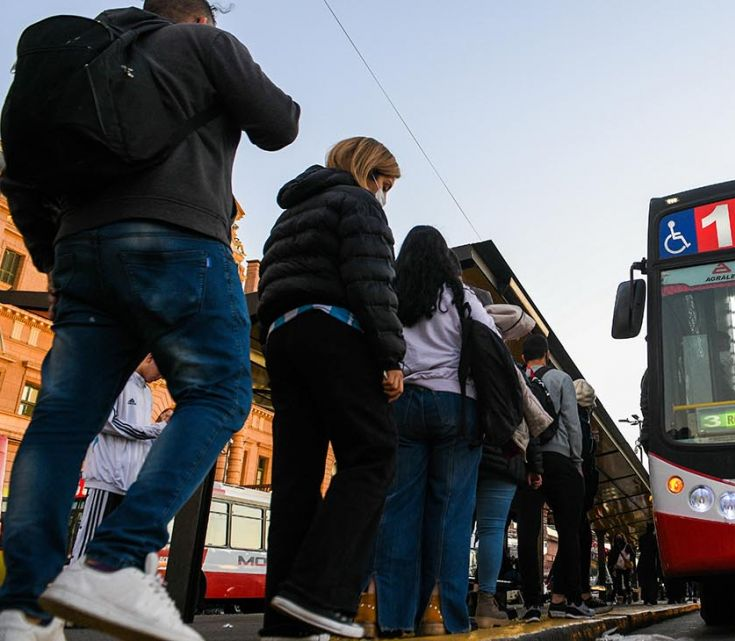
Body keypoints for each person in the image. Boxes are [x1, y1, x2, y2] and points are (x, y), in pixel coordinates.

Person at [0, 1, 299, 639]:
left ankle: (23, 606)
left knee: (59, 421)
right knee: (219, 393)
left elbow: (20, 173)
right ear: (198, 16)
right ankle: (113, 562)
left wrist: (54, 258)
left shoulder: (78, 59)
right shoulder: (200, 45)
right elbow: (280, 125)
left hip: (81, 253)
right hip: (180, 240)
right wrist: (222, 60)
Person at [256, 137, 404, 640]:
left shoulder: (289, 215)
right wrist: (390, 357)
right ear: (371, 173)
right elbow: (373, 282)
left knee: (296, 479)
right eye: (386, 183)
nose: (385, 194)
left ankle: (283, 623)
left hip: (282, 337)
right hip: (334, 330)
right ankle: (316, 594)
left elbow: (272, 283)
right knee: (373, 455)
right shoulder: (357, 202)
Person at [373, 226, 497, 636]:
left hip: (403, 405)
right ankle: (440, 616)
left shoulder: (393, 296)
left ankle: (393, 618)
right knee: (450, 514)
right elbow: (492, 345)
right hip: (457, 408)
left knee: (399, 511)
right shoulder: (462, 299)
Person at [473, 304, 551, 629]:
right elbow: (532, 421)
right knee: (492, 529)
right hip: (505, 456)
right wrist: (535, 465)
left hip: (470, 449)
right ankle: (485, 603)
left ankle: (439, 598)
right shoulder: (510, 368)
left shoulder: (463, 354)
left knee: (459, 523)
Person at [514, 334, 590, 620]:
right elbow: (572, 422)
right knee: (569, 530)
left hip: (527, 460)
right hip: (559, 460)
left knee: (527, 531)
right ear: (547, 354)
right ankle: (565, 601)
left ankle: (532, 603)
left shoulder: (519, 376)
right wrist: (577, 461)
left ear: (524, 357)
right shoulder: (561, 379)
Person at [70, 356, 170, 564]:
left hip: (128, 481)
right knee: (91, 536)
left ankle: (96, 586)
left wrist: (160, 435)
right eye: (162, 368)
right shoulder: (117, 381)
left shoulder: (146, 392)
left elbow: (139, 436)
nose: (162, 375)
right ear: (150, 357)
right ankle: (74, 578)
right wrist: (155, 430)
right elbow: (107, 422)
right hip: (107, 477)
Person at [571, 379, 611, 614]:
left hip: (577, 489)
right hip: (578, 489)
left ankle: (576, 592)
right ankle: (578, 594)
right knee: (579, 539)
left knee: (578, 538)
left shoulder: (574, 418)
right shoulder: (580, 422)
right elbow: (584, 459)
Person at [636, 524, 660, 605]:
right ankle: (652, 598)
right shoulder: (654, 538)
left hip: (643, 561)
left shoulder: (642, 538)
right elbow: (657, 550)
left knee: (644, 581)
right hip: (652, 561)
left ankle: (646, 598)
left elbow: (640, 548)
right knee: (652, 581)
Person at [607, 534, 634, 605]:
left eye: (619, 537)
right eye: (617, 537)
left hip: (625, 566)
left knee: (626, 582)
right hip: (618, 567)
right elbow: (612, 557)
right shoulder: (615, 547)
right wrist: (612, 566)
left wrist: (629, 561)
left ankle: (628, 595)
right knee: (619, 583)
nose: (618, 539)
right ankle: (623, 597)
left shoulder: (627, 546)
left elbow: (632, 554)